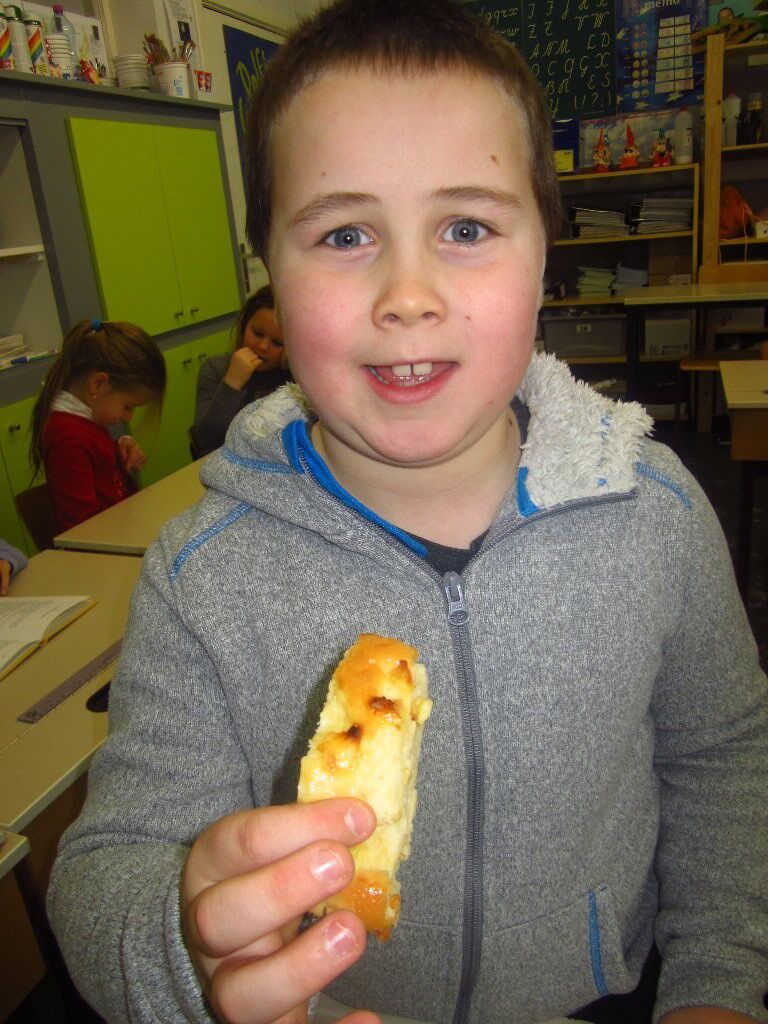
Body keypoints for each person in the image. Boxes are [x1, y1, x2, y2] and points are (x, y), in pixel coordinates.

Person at [48, 3, 767, 1024]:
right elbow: (108, 867)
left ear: (545, 252)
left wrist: (720, 985)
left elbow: (726, 760)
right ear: (269, 271)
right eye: (345, 234)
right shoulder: (201, 573)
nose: (407, 293)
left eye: (466, 228)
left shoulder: (656, 514)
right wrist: (191, 946)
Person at [30, 319, 166, 531]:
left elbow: (97, 460)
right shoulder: (67, 435)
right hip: (105, 542)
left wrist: (121, 447)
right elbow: (82, 527)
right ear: (98, 384)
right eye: (128, 406)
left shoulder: (84, 420)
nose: (128, 417)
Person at [189, 285, 289, 458]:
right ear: (244, 326)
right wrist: (231, 383)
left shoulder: (293, 377)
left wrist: (297, 367)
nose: (263, 346)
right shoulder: (215, 368)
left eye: (277, 343)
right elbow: (205, 438)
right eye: (257, 333)